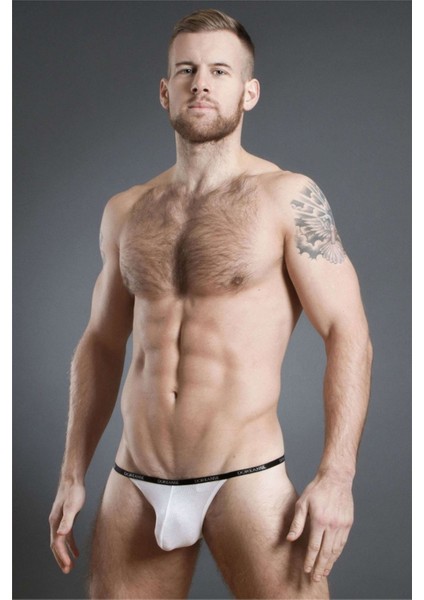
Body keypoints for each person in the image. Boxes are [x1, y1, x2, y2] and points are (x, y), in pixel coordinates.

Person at [49, 8, 372, 599]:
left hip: (244, 476)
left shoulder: (286, 198)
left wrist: (337, 475)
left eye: (220, 71)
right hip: (136, 477)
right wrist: (73, 472)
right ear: (165, 90)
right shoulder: (126, 211)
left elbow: (348, 332)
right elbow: (101, 342)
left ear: (249, 92)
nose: (201, 83)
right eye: (187, 70)